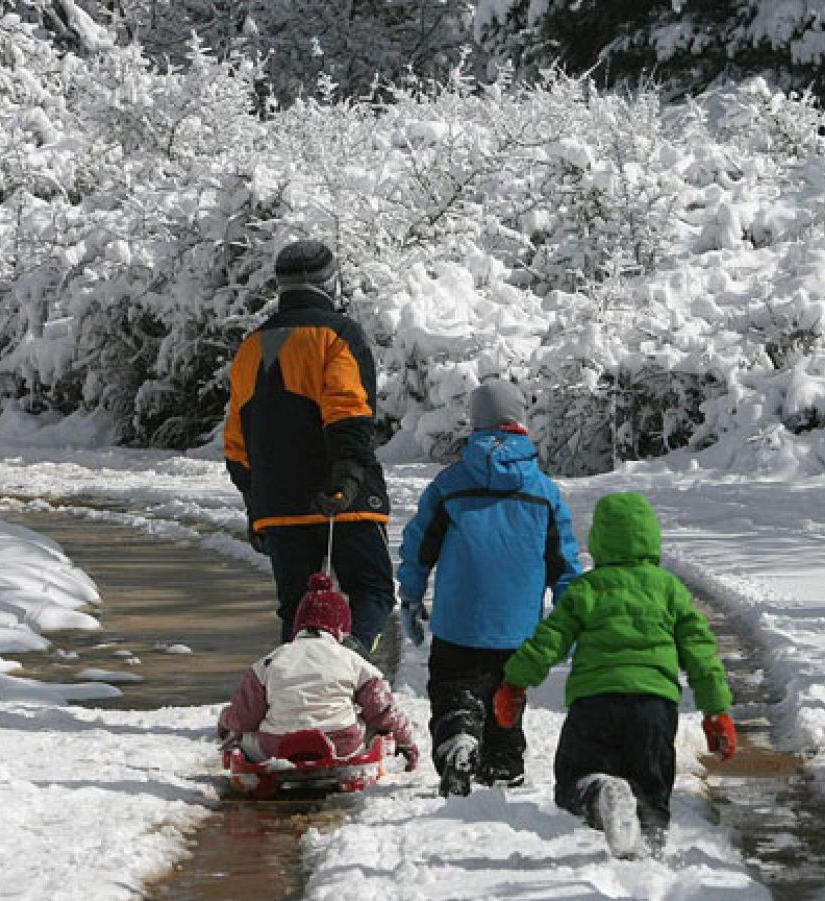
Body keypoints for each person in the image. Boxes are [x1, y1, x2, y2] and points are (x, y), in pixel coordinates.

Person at [492, 492, 736, 859]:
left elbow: (549, 640)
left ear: (599, 539)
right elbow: (702, 653)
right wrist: (715, 711)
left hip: (595, 704)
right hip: (655, 707)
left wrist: (515, 683)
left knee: (575, 777)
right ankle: (648, 852)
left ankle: (599, 792)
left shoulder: (587, 589)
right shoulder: (670, 590)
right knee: (651, 789)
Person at [396, 380, 582, 797]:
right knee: (507, 695)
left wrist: (410, 595)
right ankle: (503, 764)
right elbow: (564, 564)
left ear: (476, 422)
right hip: (518, 627)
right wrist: (570, 617)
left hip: (459, 620)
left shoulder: (451, 483)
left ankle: (457, 736)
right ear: (520, 420)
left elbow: (419, 543)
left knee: (453, 687)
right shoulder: (544, 492)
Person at [223, 239, 395, 655]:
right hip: (342, 498)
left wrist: (254, 502)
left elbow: (235, 441)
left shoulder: (250, 347)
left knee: (297, 612)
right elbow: (348, 410)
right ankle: (352, 666)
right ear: (331, 282)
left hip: (276, 503)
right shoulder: (338, 335)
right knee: (372, 593)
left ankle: (291, 700)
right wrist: (350, 472)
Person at [217, 573, 419, 769]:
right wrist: (406, 739)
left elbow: (245, 716)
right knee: (375, 730)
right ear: (341, 628)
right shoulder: (352, 661)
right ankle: (359, 764)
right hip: (341, 741)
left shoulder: (271, 661)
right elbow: (382, 708)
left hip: (277, 744)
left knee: (245, 738)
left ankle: (241, 757)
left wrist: (226, 721)